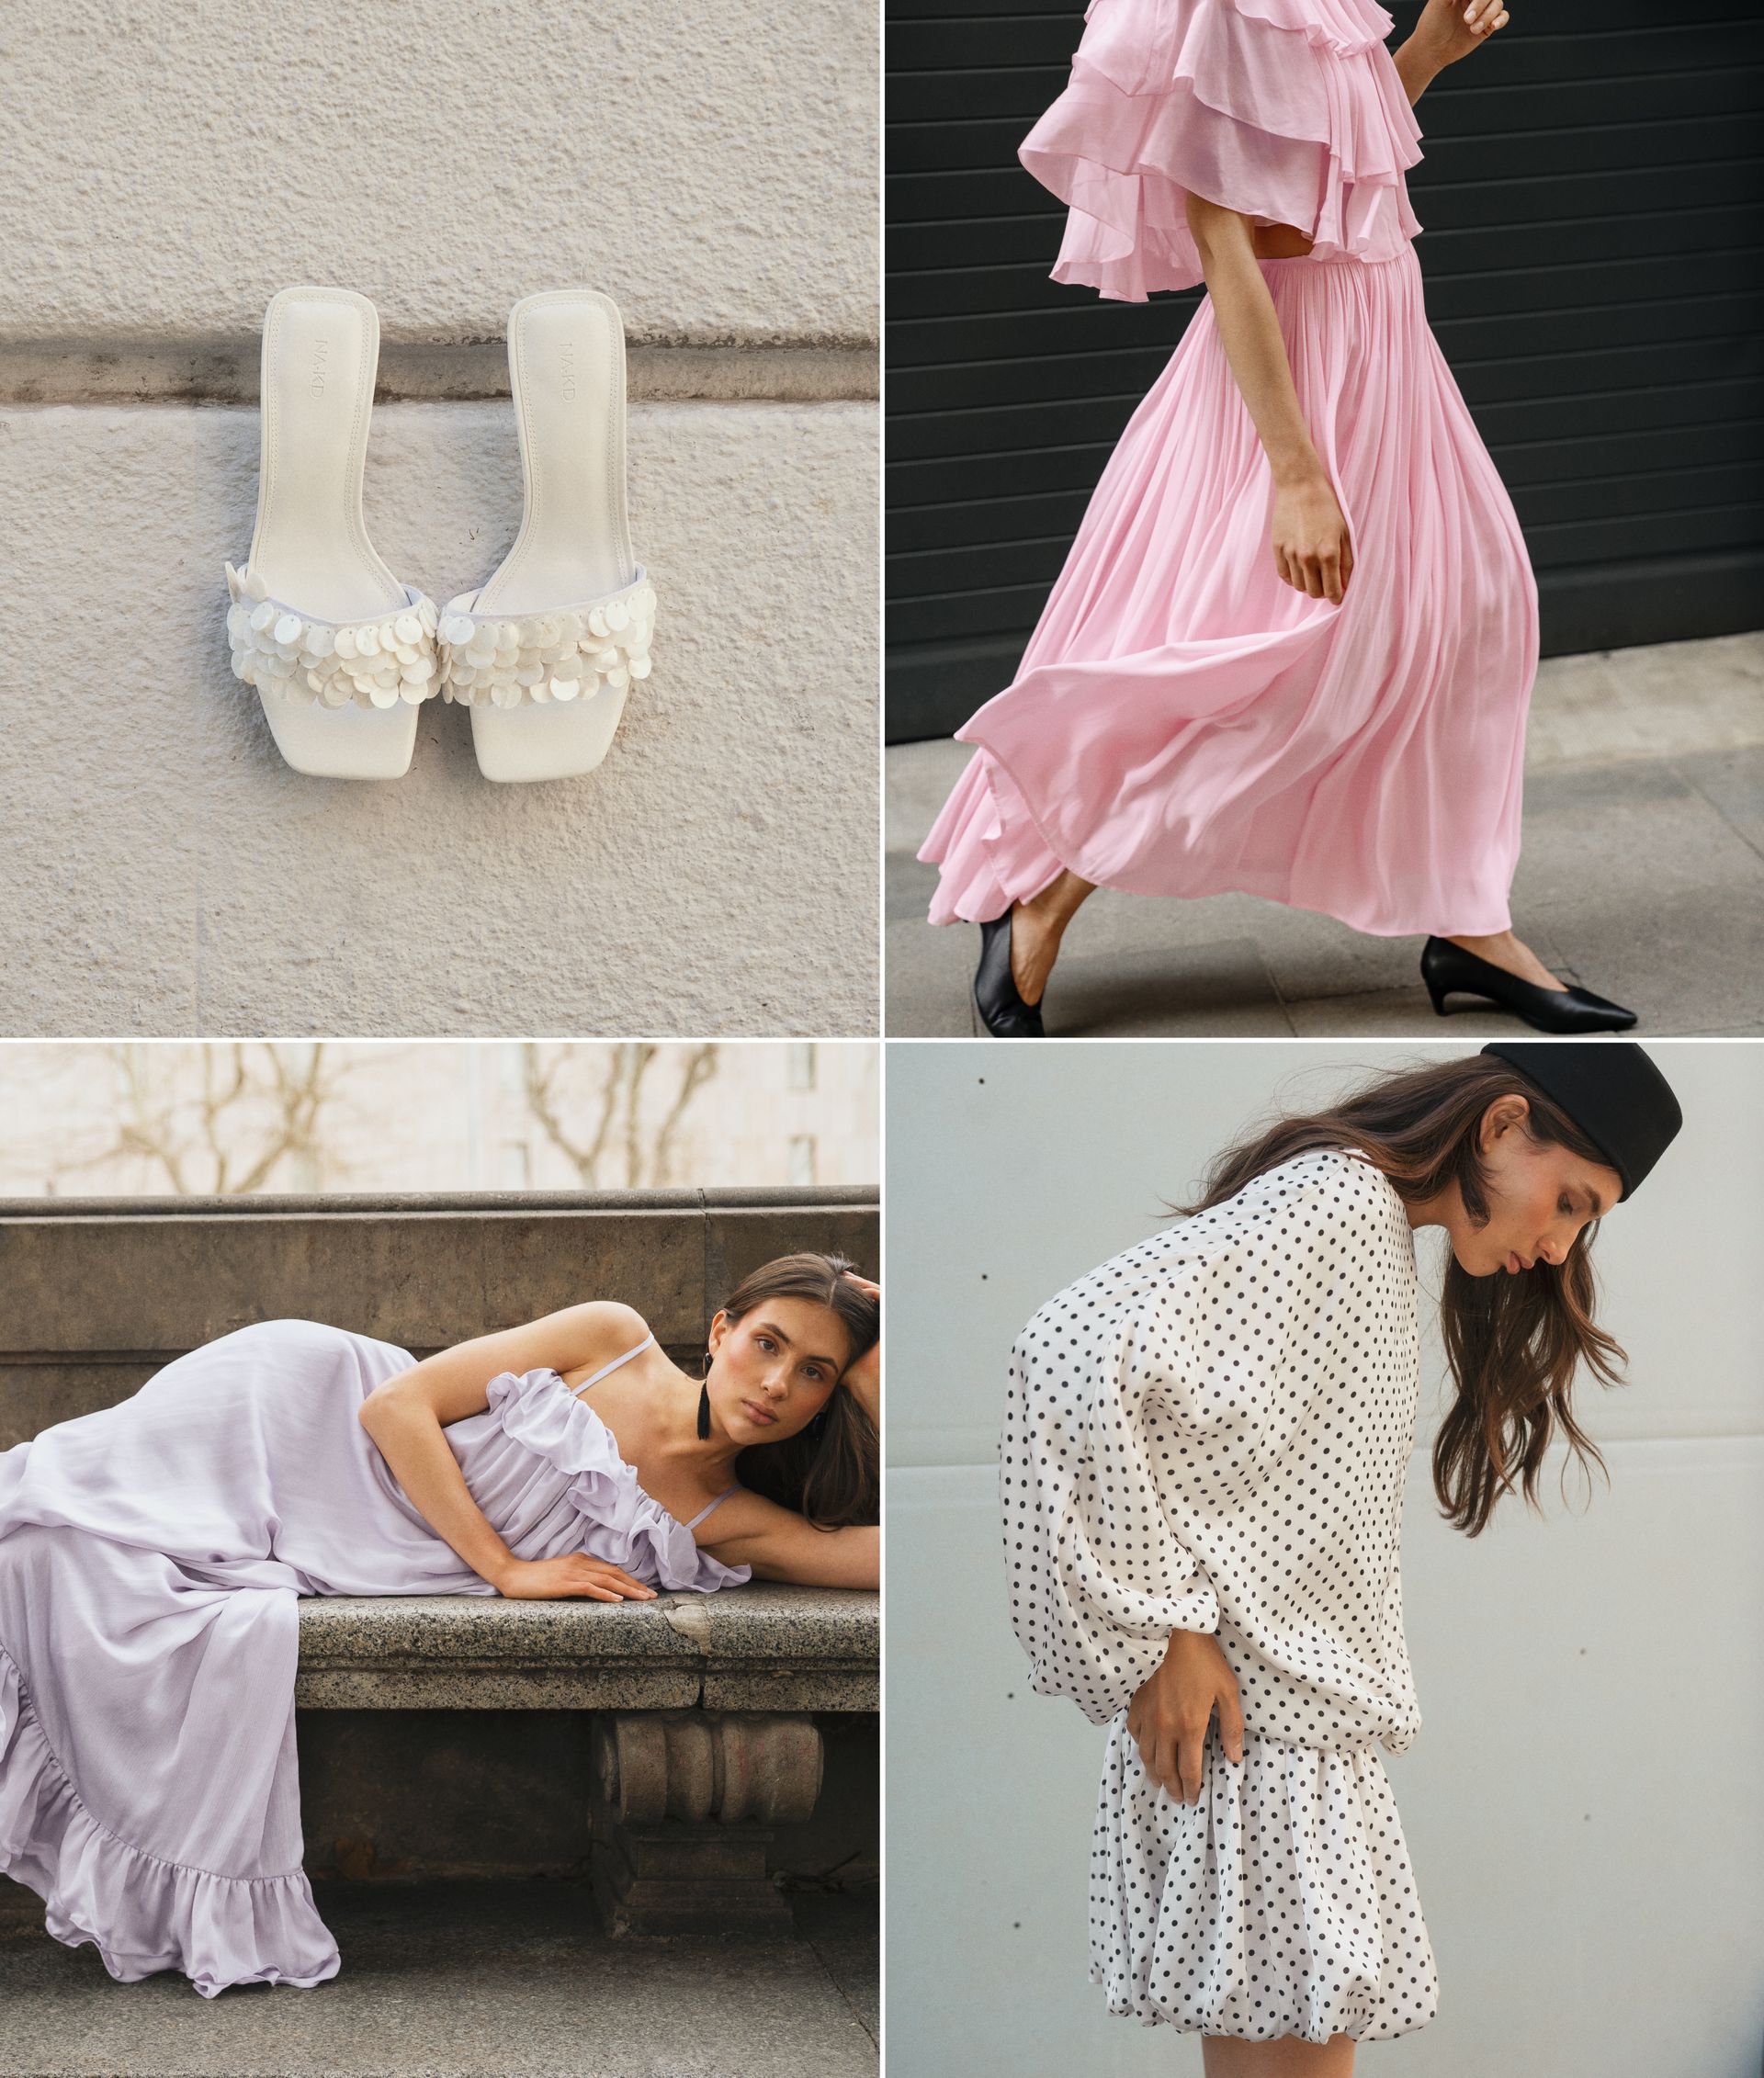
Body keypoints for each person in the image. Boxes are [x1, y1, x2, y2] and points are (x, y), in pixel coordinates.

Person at [918, 0, 1637, 1039]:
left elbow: (1327, 167)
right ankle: (1042, 894)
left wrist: (1426, 53)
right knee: (1274, 666)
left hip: (1390, 349)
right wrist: (1296, 475)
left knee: (1471, 617)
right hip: (1296, 378)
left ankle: (1465, 919)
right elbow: (1229, 247)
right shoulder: (1224, 8)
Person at [1000, 1044, 1680, 2066]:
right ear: (1500, 1127)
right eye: (1572, 1201)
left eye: (1585, 1220)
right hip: (1270, 1745)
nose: (1561, 1244)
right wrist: (1165, 1631)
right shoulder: (1339, 1207)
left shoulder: (1358, 1217)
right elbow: (1062, 1350)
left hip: (1279, 1741)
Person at [0, 1251, 878, 1998]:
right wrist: (506, 1571)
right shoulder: (615, 1340)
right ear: (721, 1332)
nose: (775, 1383)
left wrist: (882, 1371)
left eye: (815, 1373)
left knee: (51, 1563)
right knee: (46, 1515)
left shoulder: (726, 1516)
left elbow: (895, 1556)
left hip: (349, 1531)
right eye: (768, 1344)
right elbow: (393, 1408)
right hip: (297, 1413)